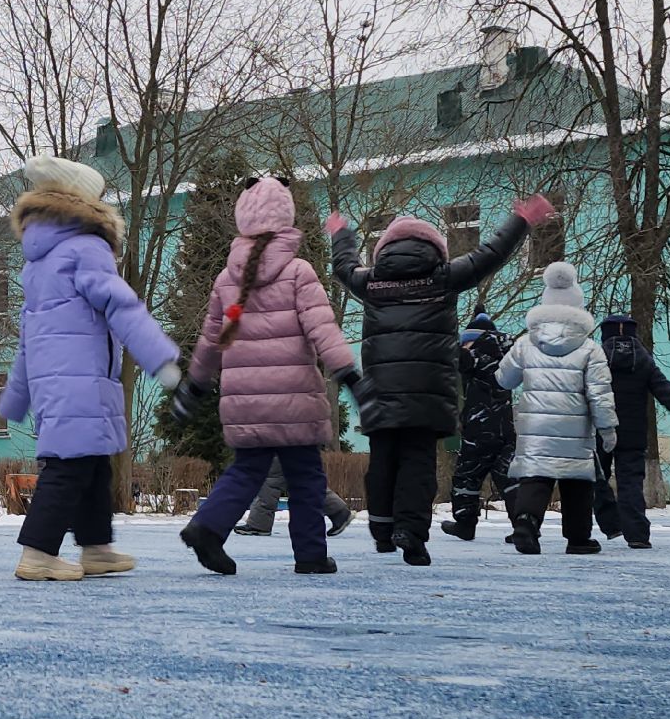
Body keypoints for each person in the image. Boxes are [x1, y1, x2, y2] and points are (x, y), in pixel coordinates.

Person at [329, 194, 550, 565]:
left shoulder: (370, 283)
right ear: (434, 249)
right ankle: (411, 531)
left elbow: (343, 265)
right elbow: (492, 254)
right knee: (417, 461)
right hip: (428, 394)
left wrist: (341, 233)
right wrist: (521, 220)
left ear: (385, 250)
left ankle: (382, 531)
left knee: (383, 461)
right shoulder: (444, 277)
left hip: (381, 393)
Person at [0, 155, 180, 581]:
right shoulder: (87, 248)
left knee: (93, 462)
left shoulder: (39, 262)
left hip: (56, 381)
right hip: (80, 379)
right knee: (70, 464)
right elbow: (119, 302)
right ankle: (38, 553)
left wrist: (16, 397)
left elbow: (29, 336)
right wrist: (159, 356)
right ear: (85, 202)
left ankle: (96, 548)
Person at [173, 177, 367, 575]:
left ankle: (207, 528)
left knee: (246, 469)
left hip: (243, 398)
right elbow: (323, 329)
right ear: (286, 217)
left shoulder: (227, 278)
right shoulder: (298, 272)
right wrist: (349, 374)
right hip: (294, 397)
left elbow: (210, 339)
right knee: (306, 476)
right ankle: (311, 555)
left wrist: (194, 385)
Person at [498, 262, 620, 556]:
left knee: (536, 477)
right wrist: (607, 427)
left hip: (535, 427)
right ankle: (578, 539)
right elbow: (599, 393)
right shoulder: (590, 348)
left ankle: (526, 525)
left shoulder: (526, 343)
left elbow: (504, 379)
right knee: (577, 480)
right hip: (576, 428)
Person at [594, 314, 670, 548]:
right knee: (631, 483)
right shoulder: (644, 361)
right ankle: (637, 535)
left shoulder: (596, 359)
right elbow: (667, 395)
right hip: (633, 433)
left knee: (595, 478)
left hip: (599, 429)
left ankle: (611, 524)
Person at [441, 309, 517, 541]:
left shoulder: (476, 355)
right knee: (509, 477)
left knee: (467, 477)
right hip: (506, 426)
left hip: (480, 427)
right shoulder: (508, 356)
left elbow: (454, 358)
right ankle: (524, 525)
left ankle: (465, 523)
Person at [236, 458, 353, 538]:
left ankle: (259, 524)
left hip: (282, 434)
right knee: (301, 479)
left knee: (272, 478)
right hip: (294, 435)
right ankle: (339, 512)